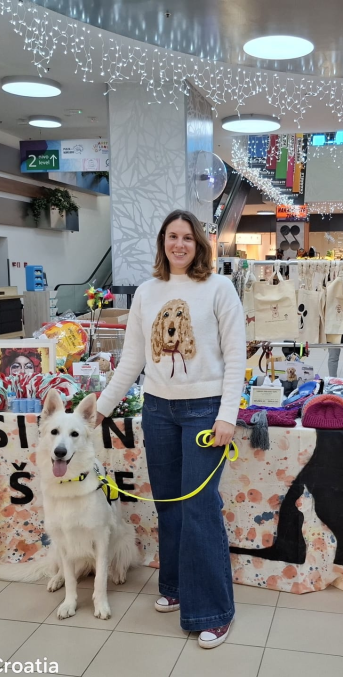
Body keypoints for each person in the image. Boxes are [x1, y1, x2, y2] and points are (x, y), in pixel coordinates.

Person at [96, 209, 246, 649]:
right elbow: (132, 361)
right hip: (158, 410)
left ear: (199, 243)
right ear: (163, 242)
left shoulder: (219, 288)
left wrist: (227, 415)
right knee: (170, 506)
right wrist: (100, 410)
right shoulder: (146, 293)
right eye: (171, 237)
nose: (179, 244)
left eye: (187, 237)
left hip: (204, 412)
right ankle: (176, 587)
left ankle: (214, 612)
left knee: (199, 508)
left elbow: (236, 356)